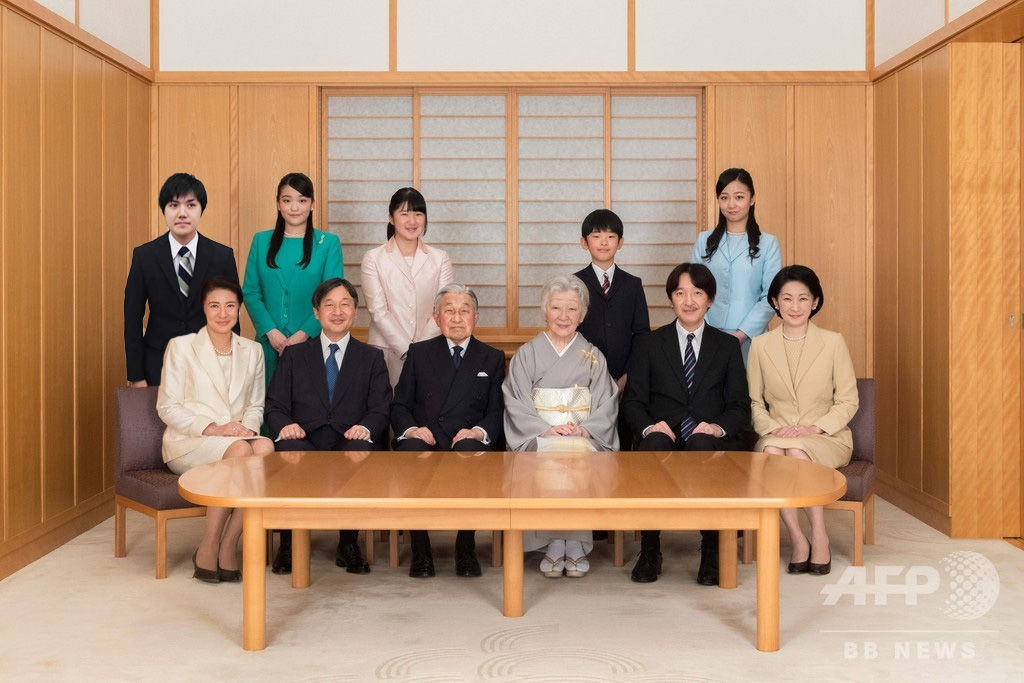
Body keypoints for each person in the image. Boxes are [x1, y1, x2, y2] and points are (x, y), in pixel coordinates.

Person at [621, 263, 750, 585]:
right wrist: (650, 427)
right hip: (664, 432)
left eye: (697, 293)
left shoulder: (727, 346)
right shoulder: (650, 343)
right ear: (671, 299)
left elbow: (739, 406)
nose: (688, 301)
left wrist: (717, 427)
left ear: (710, 299)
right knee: (653, 444)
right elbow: (633, 402)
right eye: (680, 293)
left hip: (709, 436)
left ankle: (711, 549)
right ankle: (650, 549)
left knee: (702, 443)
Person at [263, 278, 392, 575]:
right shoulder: (294, 355)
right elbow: (274, 405)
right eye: (329, 305)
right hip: (304, 436)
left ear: (355, 313)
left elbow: (381, 407)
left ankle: (349, 542)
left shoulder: (372, 357)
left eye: (345, 305)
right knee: (290, 449)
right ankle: (289, 542)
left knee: (359, 449)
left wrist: (365, 427)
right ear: (316, 312)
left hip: (349, 436)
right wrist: (286, 425)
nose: (337, 311)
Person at [156, 276, 274, 583]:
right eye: (215, 306)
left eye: (230, 306)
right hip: (190, 441)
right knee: (242, 451)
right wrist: (213, 428)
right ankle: (209, 544)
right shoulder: (181, 347)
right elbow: (167, 407)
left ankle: (229, 542)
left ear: (239, 309)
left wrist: (245, 429)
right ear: (204, 308)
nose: (223, 313)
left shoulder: (253, 350)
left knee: (264, 447)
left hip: (236, 439)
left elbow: (255, 405)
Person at [503, 274, 619, 578]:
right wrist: (544, 429)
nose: (563, 316)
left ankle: (575, 541)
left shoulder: (593, 355)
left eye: (571, 309)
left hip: (582, 432)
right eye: (556, 308)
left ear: (582, 315)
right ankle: (553, 542)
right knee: (545, 453)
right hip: (539, 432)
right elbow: (515, 399)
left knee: (579, 451)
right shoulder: (527, 354)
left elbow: (606, 401)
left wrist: (585, 429)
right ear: (545, 312)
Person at [747, 265, 858, 576]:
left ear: (815, 302)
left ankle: (819, 535)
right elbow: (755, 402)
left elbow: (848, 400)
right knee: (773, 451)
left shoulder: (834, 342)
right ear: (775, 302)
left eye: (802, 298)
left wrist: (815, 427)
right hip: (777, 434)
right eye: (787, 298)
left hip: (826, 436)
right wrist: (774, 428)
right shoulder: (760, 345)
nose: (794, 306)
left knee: (796, 451)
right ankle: (798, 538)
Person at [391, 284, 506, 578]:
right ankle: (420, 550)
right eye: (449, 311)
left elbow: (497, 410)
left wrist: (478, 431)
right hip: (426, 436)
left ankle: (465, 548)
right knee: (412, 453)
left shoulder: (491, 357)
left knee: (471, 453)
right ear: (436, 317)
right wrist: (412, 429)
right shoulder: (419, 353)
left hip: (466, 439)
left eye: (464, 311)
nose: (457, 318)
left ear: (476, 317)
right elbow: (400, 404)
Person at [125, 173, 240, 386]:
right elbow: (132, 318)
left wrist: (230, 368)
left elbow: (232, 317)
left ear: (201, 209)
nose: (182, 213)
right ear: (164, 210)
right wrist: (136, 376)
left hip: (211, 365)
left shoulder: (222, 256)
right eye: (174, 205)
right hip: (158, 365)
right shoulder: (145, 256)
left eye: (190, 205)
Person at [242, 172, 344, 386]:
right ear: (278, 204)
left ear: (312, 204)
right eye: (287, 200)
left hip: (312, 343)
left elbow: (332, 297)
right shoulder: (261, 241)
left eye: (302, 200)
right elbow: (251, 292)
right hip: (268, 343)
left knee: (308, 402)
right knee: (265, 401)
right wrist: (271, 332)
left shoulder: (328, 243)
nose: (294, 208)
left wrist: (304, 334)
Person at [360, 187, 454, 384]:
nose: (412, 221)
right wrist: (408, 351)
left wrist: (420, 350)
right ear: (391, 218)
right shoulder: (373, 258)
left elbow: (443, 307)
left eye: (418, 214)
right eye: (404, 214)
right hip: (385, 351)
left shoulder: (440, 258)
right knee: (386, 401)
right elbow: (378, 311)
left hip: (431, 350)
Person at [574, 208, 650, 449]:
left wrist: (626, 378)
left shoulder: (633, 284)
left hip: (625, 380)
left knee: (624, 441)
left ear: (621, 242)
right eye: (596, 236)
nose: (604, 242)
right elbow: (569, 332)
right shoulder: (574, 283)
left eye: (610, 236)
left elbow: (642, 335)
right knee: (587, 442)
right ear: (584, 243)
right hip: (584, 379)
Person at [690, 168, 781, 361]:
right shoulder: (704, 240)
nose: (731, 204)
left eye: (739, 197)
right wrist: (706, 328)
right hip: (708, 335)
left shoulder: (768, 243)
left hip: (751, 337)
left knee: (749, 381)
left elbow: (771, 296)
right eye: (724, 198)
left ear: (752, 199)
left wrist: (741, 333)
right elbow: (694, 288)